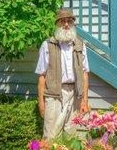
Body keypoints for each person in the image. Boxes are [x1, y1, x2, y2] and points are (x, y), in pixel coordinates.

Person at [35, 8, 90, 139]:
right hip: (54, 94)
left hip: (76, 94)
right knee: (51, 135)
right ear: (57, 24)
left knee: (74, 135)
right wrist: (41, 103)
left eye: (69, 21)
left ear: (73, 24)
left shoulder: (80, 45)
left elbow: (84, 74)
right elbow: (42, 76)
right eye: (62, 21)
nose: (66, 24)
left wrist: (84, 101)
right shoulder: (47, 45)